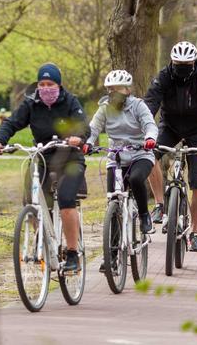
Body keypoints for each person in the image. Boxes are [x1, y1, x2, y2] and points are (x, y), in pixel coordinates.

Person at [0, 63, 89, 272]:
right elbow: (12, 122)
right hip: (42, 156)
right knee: (31, 201)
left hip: (69, 157)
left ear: (59, 85)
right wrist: (0, 141)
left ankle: (72, 254)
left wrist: (77, 137)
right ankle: (42, 240)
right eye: (42, 84)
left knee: (65, 199)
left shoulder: (70, 101)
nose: (45, 88)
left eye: (50, 84)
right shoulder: (31, 103)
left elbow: (82, 124)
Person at [143, 41, 197, 252]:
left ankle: (195, 233)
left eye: (186, 64)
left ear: (194, 63)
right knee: (149, 154)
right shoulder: (164, 76)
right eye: (178, 63)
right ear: (172, 61)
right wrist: (143, 131)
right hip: (169, 126)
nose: (181, 68)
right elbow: (150, 103)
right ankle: (160, 205)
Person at [83, 70, 157, 273]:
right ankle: (111, 259)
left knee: (135, 178)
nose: (114, 93)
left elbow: (150, 125)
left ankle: (143, 215)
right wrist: (88, 143)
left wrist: (150, 138)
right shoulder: (105, 109)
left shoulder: (138, 106)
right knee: (113, 204)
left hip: (140, 155)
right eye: (110, 90)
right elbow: (93, 129)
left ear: (127, 90)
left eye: (118, 89)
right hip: (116, 158)